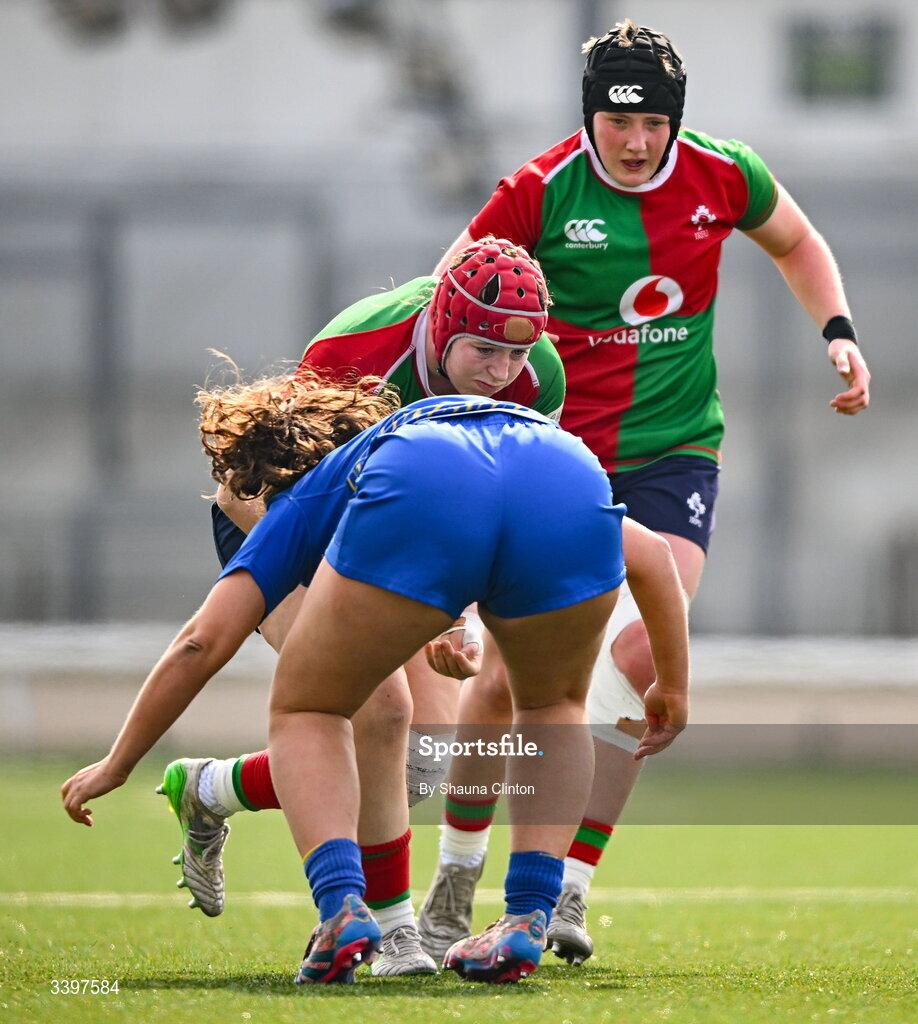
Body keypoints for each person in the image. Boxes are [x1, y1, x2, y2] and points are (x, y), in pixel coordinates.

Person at [417, 18, 872, 966]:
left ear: (675, 121)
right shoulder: (539, 191)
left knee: (632, 655)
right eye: (619, 122)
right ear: (592, 119)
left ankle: (568, 890)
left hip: (675, 456)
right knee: (511, 679)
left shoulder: (723, 173)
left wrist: (837, 329)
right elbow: (446, 299)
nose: (636, 140)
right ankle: (457, 876)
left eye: (654, 121)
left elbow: (797, 240)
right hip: (553, 457)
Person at [62, 371, 691, 985]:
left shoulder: (323, 485)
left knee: (311, 709)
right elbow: (654, 555)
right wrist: (671, 687)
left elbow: (201, 641)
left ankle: (340, 908)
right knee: (553, 705)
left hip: (438, 487)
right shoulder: (477, 423)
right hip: (567, 469)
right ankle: (526, 913)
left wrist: (118, 762)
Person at [160, 237, 562, 977]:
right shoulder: (355, 348)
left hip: (402, 534)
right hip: (281, 512)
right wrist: (436, 614)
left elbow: (493, 505)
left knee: (419, 762)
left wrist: (462, 616)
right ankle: (388, 932)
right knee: (376, 707)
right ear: (440, 326)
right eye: (485, 353)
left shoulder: (539, 376)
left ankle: (211, 788)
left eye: (518, 358)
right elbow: (298, 499)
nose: (504, 377)